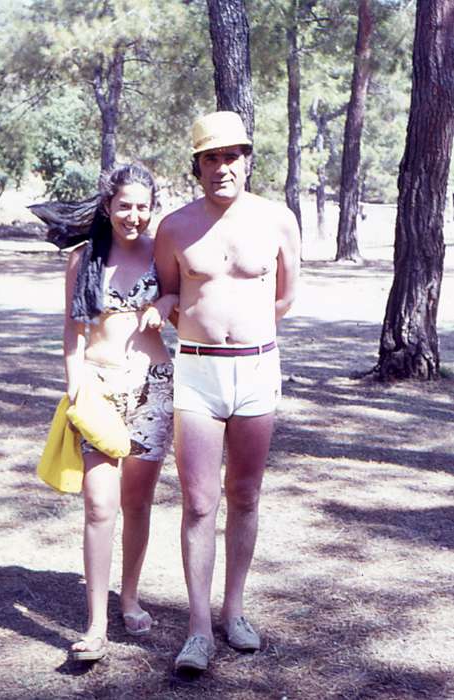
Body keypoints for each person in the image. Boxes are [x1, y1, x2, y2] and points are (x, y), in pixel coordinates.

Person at [154, 111, 301, 672]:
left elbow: (285, 297)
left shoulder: (277, 220)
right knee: (198, 502)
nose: (222, 167)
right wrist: (197, 325)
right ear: (196, 166)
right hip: (198, 373)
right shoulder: (174, 227)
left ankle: (233, 611)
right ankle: (197, 629)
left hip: (257, 370)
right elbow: (169, 294)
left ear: (247, 161)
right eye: (211, 158)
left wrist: (248, 333)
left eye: (232, 156)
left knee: (245, 494)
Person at [64, 163, 178, 662]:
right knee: (98, 505)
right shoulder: (83, 258)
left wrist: (166, 301)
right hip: (99, 391)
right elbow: (73, 330)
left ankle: (129, 597)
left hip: (153, 388)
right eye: (124, 205)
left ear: (152, 208)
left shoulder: (162, 253)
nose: (133, 215)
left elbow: (183, 295)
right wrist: (75, 384)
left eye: (142, 206)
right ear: (108, 205)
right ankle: (96, 624)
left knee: (137, 503)